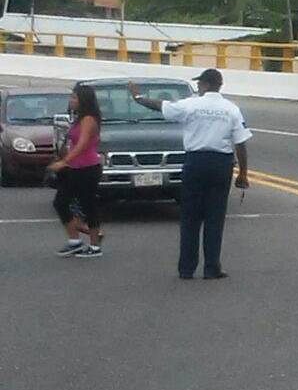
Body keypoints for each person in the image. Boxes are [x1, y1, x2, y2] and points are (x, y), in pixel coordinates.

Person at [128, 69, 252, 280]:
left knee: (190, 217)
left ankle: (186, 268)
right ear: (220, 85)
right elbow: (241, 143)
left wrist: (138, 97)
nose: (197, 87)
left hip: (195, 162)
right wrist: (243, 174)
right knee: (215, 217)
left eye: (199, 84)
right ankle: (212, 268)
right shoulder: (231, 109)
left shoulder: (191, 105)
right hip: (220, 163)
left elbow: (161, 106)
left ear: (204, 84)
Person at [50, 85, 104, 258]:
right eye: (71, 97)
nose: (71, 101)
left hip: (88, 168)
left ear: (84, 100)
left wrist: (64, 162)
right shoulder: (78, 118)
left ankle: (95, 245)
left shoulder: (89, 119)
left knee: (88, 205)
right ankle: (75, 240)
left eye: (74, 98)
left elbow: (82, 144)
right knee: (61, 202)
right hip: (74, 168)